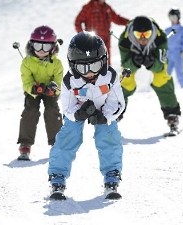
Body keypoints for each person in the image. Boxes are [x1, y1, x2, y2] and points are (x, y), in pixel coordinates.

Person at [47, 31, 125, 198]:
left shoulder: (110, 76)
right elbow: (67, 106)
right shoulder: (69, 81)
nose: (89, 72)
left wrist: (105, 115)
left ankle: (112, 173)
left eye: (94, 66)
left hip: (103, 109)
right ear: (74, 66)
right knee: (69, 136)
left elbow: (117, 102)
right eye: (83, 68)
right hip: (79, 110)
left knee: (108, 135)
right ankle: (57, 176)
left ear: (103, 62)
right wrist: (79, 114)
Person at [118, 16, 181, 132]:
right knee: (126, 79)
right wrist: (133, 62)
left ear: (151, 32)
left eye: (146, 34)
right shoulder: (124, 41)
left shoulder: (160, 39)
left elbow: (161, 65)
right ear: (133, 33)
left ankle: (172, 113)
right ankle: (115, 111)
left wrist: (152, 63)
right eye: (138, 35)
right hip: (132, 54)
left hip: (154, 51)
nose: (143, 38)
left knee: (161, 77)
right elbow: (125, 65)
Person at [16, 25, 63, 161]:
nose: (41, 51)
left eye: (46, 47)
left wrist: (52, 89)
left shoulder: (57, 63)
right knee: (30, 110)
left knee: (52, 111)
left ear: (53, 47)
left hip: (50, 90)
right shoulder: (27, 62)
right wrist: (33, 88)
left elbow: (58, 80)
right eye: (38, 46)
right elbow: (26, 80)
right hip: (33, 90)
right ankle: (25, 143)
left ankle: (57, 143)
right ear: (31, 46)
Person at [74, 0, 129, 65]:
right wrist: (83, 36)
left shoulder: (107, 8)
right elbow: (78, 22)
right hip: (92, 41)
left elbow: (117, 19)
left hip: (106, 41)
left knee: (106, 63)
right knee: (93, 64)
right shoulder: (89, 7)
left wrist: (130, 23)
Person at [165, 7, 183, 88]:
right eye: (171, 17)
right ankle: (164, 88)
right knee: (166, 72)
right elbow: (163, 42)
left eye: (174, 17)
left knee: (179, 72)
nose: (172, 20)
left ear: (178, 17)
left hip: (178, 54)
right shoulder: (167, 30)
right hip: (169, 54)